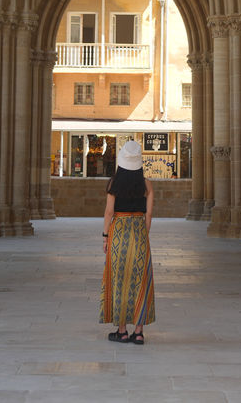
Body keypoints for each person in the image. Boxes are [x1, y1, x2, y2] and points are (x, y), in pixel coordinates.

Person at [100, 139, 155, 345]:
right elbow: (149, 215)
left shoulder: (114, 184)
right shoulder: (147, 185)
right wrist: (143, 235)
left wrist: (106, 237)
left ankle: (121, 330)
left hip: (118, 232)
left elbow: (108, 212)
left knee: (119, 279)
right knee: (141, 280)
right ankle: (138, 332)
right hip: (139, 230)